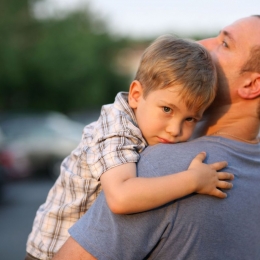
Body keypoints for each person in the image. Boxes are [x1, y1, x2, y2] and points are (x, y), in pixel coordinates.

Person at [52, 15, 260, 260]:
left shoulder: (161, 167)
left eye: (225, 44)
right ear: (136, 94)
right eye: (167, 110)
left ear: (252, 84)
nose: (202, 44)